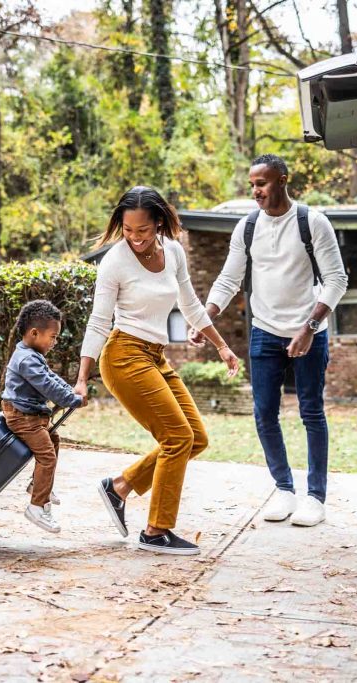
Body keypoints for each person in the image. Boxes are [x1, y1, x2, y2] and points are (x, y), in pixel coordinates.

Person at [73, 186, 240, 556]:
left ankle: (119, 486)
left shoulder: (175, 252)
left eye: (143, 231)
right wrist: (82, 379)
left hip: (154, 356)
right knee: (177, 438)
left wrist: (222, 345)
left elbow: (191, 304)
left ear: (159, 223)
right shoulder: (115, 261)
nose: (135, 238)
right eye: (128, 230)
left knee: (195, 437)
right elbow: (98, 322)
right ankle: (155, 531)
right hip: (123, 356)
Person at [190, 154, 348, 527]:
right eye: (252, 185)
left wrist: (309, 327)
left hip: (309, 331)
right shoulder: (247, 228)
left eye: (261, 183)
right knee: (264, 414)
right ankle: (284, 489)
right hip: (264, 332)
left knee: (311, 411)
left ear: (282, 180)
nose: (256, 191)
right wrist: (204, 316)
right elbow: (228, 280)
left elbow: (337, 280)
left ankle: (315, 497)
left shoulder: (312, 222)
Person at [1, 300, 87, 534]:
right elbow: (46, 385)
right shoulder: (27, 359)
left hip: (30, 415)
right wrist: (71, 399)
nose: (55, 342)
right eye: (53, 336)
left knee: (53, 440)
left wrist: (71, 392)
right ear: (34, 333)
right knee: (47, 456)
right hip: (22, 417)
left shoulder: (31, 354)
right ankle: (37, 506)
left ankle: (39, 486)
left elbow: (51, 377)